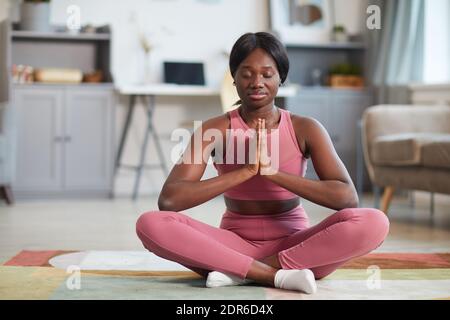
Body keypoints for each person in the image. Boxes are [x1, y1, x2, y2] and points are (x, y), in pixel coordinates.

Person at [136, 32, 389, 294]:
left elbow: (346, 198)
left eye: (267, 74)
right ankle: (274, 275)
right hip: (232, 245)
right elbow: (170, 200)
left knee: (375, 221)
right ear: (233, 79)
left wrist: (272, 173)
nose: (257, 82)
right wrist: (245, 171)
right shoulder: (214, 129)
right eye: (247, 73)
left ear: (281, 78)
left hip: (296, 247)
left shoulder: (306, 128)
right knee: (150, 223)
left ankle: (241, 272)